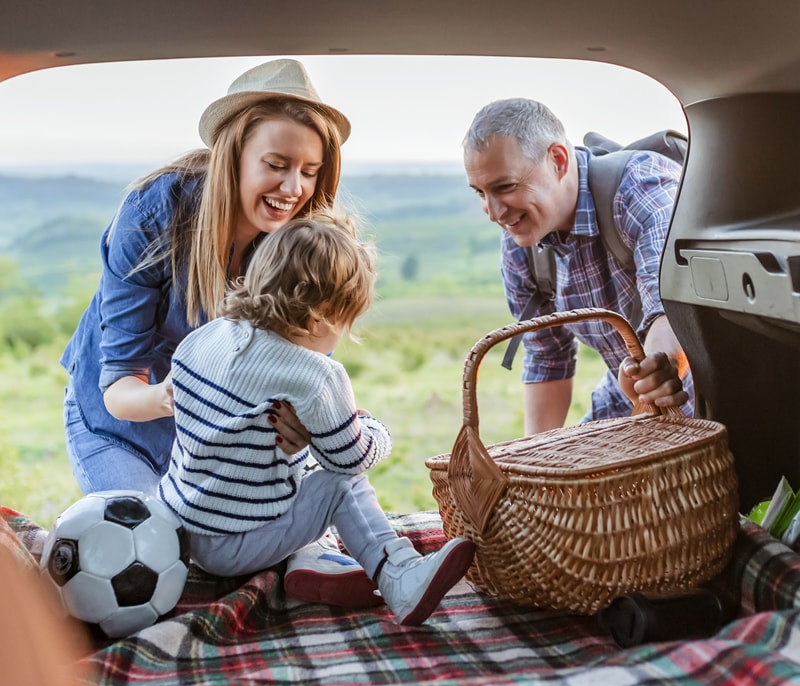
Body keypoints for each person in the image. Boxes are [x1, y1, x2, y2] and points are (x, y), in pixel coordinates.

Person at [60, 58, 377, 607]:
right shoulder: (156, 211)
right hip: (123, 421)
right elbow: (119, 390)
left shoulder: (297, 239)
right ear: (234, 154)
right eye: (277, 164)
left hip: (226, 437)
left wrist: (301, 424)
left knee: (258, 528)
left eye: (309, 170)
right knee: (159, 545)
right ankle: (299, 555)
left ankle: (311, 560)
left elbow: (302, 364)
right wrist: (172, 397)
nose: (294, 188)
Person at [158, 209, 476, 625]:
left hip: (184, 525)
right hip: (232, 545)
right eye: (343, 323)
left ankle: (311, 560)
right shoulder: (315, 375)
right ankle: (399, 576)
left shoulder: (204, 338)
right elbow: (350, 458)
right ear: (316, 319)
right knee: (338, 485)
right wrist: (374, 429)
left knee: (299, 464)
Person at [463, 98, 692, 435]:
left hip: (709, 396)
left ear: (558, 159)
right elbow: (548, 358)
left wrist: (657, 369)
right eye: (480, 193)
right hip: (628, 401)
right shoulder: (520, 241)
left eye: (506, 187)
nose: (495, 213)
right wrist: (535, 463)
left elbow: (672, 305)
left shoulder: (637, 188)